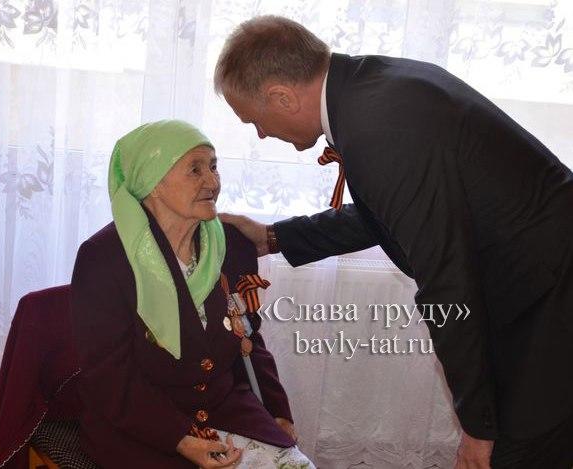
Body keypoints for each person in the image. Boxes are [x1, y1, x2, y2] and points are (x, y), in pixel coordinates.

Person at [214, 15, 573, 469]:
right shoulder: (370, 88)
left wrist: (478, 430)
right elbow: (387, 216)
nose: (262, 134)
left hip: (549, 301)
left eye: (255, 121)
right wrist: (273, 237)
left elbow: (446, 281)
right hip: (541, 285)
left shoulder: (378, 127)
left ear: (282, 96)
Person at [70, 120, 315, 468]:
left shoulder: (231, 244)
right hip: (144, 429)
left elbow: (248, 337)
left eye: (214, 167)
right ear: (152, 180)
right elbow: (109, 377)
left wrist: (278, 412)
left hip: (229, 413)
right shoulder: (104, 257)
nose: (212, 182)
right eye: (195, 170)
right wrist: (181, 440)